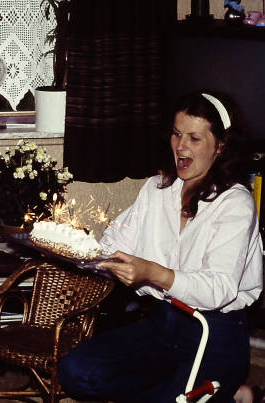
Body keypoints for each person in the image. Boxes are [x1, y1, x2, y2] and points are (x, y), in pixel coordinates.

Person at [57, 91, 263, 403]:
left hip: (215, 334)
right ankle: (217, 395)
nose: (181, 146)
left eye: (194, 138)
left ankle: (221, 389)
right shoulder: (156, 189)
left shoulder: (236, 203)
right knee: (75, 372)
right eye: (177, 134)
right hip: (162, 324)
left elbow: (219, 288)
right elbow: (113, 245)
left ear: (220, 146)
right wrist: (77, 248)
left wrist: (151, 272)